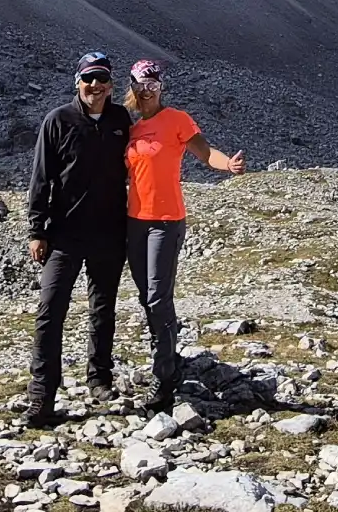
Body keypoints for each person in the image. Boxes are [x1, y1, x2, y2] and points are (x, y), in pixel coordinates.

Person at [123, 58, 245, 414]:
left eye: (153, 85)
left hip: (166, 221)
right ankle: (167, 353)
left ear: (161, 87)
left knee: (159, 296)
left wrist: (228, 165)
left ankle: (164, 378)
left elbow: (206, 153)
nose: (147, 91)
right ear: (131, 87)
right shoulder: (131, 130)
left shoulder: (177, 120)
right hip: (134, 222)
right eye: (141, 85)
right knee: (148, 297)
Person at [23, 50, 132, 428]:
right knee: (50, 312)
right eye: (89, 79)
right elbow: (41, 178)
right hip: (64, 234)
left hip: (109, 233)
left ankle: (99, 378)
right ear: (77, 82)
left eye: (102, 79)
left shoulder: (121, 120)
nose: (95, 86)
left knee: (103, 309)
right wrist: (37, 230)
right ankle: (42, 395)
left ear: (111, 85)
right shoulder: (58, 120)